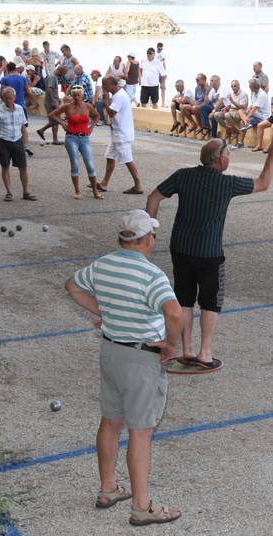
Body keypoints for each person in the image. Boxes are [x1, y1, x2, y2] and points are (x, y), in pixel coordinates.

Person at [64, 210, 183, 527]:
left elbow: (72, 286)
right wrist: (171, 345)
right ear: (146, 240)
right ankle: (142, 507)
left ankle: (108, 489)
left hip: (110, 352)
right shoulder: (152, 275)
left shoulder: (102, 264)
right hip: (140, 359)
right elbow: (174, 315)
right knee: (141, 432)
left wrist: (106, 311)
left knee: (111, 421)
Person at [145, 138, 273, 369]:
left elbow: (153, 198)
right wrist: (272, 156)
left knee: (184, 299)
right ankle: (205, 353)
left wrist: (150, 232)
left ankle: (187, 350)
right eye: (228, 153)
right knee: (210, 303)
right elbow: (263, 183)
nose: (229, 157)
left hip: (180, 248)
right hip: (209, 253)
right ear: (220, 159)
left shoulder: (183, 175)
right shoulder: (227, 183)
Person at [50, 85, 102, 199]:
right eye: (75, 95)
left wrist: (92, 127)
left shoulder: (87, 106)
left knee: (90, 164)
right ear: (72, 96)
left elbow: (97, 115)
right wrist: (63, 123)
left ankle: (95, 191)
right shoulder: (68, 107)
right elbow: (52, 114)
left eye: (79, 95)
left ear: (82, 95)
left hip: (84, 137)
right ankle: (77, 191)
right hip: (71, 137)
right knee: (75, 164)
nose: (77, 97)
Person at [97, 75, 145, 195]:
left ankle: (138, 185)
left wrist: (106, 100)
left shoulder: (119, 96)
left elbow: (112, 113)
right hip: (116, 133)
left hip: (122, 134)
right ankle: (104, 183)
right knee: (110, 157)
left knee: (127, 159)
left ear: (111, 84)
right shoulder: (117, 95)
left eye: (105, 85)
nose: (103, 87)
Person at [0, 87, 36, 202]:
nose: (9, 100)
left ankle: (26, 191)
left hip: (17, 140)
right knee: (5, 167)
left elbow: (23, 127)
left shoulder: (19, 109)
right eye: (6, 98)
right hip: (4, 140)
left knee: (23, 167)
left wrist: (25, 144)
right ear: (3, 98)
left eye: (10, 98)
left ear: (15, 97)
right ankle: (9, 192)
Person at [35, 65, 66, 145]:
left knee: (54, 119)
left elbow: (53, 89)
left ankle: (42, 130)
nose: (63, 75)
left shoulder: (53, 76)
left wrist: (57, 98)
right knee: (55, 120)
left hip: (53, 100)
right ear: (60, 71)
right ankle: (55, 139)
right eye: (64, 73)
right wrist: (52, 101)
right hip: (50, 101)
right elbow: (49, 89)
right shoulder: (52, 77)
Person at [236, 78, 269, 149]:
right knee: (240, 111)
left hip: (260, 117)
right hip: (255, 114)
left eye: (249, 86)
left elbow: (255, 108)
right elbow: (252, 105)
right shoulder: (254, 94)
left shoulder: (262, 95)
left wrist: (248, 116)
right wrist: (249, 108)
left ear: (253, 87)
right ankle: (246, 124)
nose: (249, 87)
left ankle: (241, 140)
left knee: (242, 122)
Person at [199, 75, 233, 139]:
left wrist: (213, 112)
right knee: (203, 106)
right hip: (216, 108)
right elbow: (207, 102)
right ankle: (206, 126)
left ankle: (213, 135)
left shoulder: (223, 88)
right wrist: (206, 91)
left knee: (214, 115)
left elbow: (220, 101)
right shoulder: (213, 90)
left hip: (224, 108)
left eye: (212, 81)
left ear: (217, 82)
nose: (210, 82)